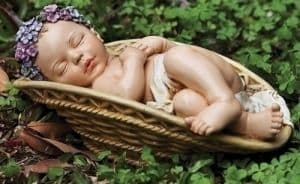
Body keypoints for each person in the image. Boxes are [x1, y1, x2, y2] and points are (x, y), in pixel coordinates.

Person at [15, 4, 292, 140]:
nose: (78, 57)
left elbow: (180, 55)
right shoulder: (97, 85)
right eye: (63, 67)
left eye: (77, 42)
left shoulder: (119, 54)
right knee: (186, 105)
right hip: (182, 94)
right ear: (56, 83)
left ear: (94, 32)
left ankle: (223, 99)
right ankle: (245, 123)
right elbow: (127, 94)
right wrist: (134, 60)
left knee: (176, 56)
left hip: (211, 77)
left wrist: (162, 43)